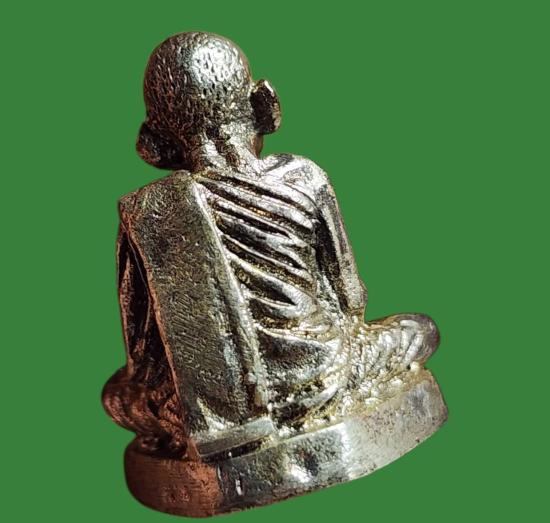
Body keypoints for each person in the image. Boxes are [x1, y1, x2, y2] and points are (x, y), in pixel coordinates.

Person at [103, 32, 439, 458]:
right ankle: (300, 402)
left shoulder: (148, 212)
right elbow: (351, 299)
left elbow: (143, 354)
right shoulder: (302, 177)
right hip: (325, 376)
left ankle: (203, 426)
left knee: (118, 398)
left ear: (154, 142)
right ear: (264, 104)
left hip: (199, 415)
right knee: (419, 329)